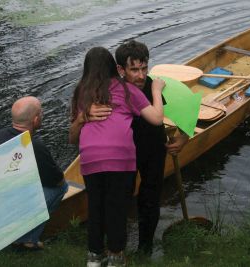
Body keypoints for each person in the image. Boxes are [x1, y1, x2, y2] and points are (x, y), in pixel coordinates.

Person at [71, 40, 187, 255]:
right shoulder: (110, 90)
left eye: (144, 68)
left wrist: (184, 137)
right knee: (120, 200)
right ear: (120, 69)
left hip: (153, 150)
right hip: (123, 156)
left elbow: (185, 106)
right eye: (134, 70)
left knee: (150, 199)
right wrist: (83, 117)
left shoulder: (155, 85)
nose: (141, 75)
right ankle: (116, 247)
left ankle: (145, 248)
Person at [0, 96, 68, 251]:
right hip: (16, 200)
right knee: (61, 188)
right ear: (36, 120)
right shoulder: (35, 145)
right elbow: (56, 180)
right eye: (41, 114)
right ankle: (28, 239)